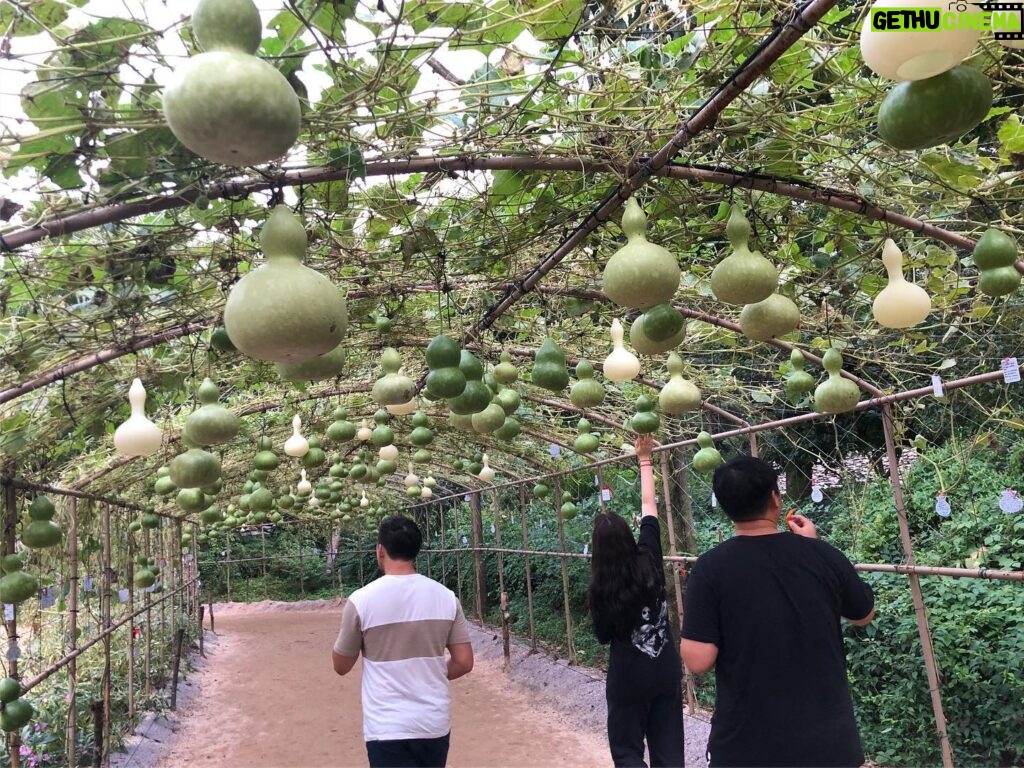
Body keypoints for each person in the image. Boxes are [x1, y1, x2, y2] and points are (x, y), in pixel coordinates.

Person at [681, 455, 875, 768]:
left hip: (749, 748)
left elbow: (697, 660)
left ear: (727, 506)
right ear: (775, 498)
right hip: (829, 746)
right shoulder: (823, 555)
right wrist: (811, 547)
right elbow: (863, 614)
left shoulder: (710, 569)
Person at [332, 515, 474, 768]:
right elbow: (464, 662)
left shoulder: (361, 600)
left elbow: (341, 666)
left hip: (386, 725)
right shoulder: (446, 598)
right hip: (433, 723)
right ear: (416, 551)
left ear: (380, 550)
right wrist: (429, 673)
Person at [587, 435, 685, 767]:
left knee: (628, 752)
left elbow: (602, 637)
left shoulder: (600, 588)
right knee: (669, 751)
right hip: (664, 672)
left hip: (627, 679)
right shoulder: (650, 559)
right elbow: (649, 509)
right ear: (631, 539)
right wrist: (645, 459)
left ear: (598, 553)